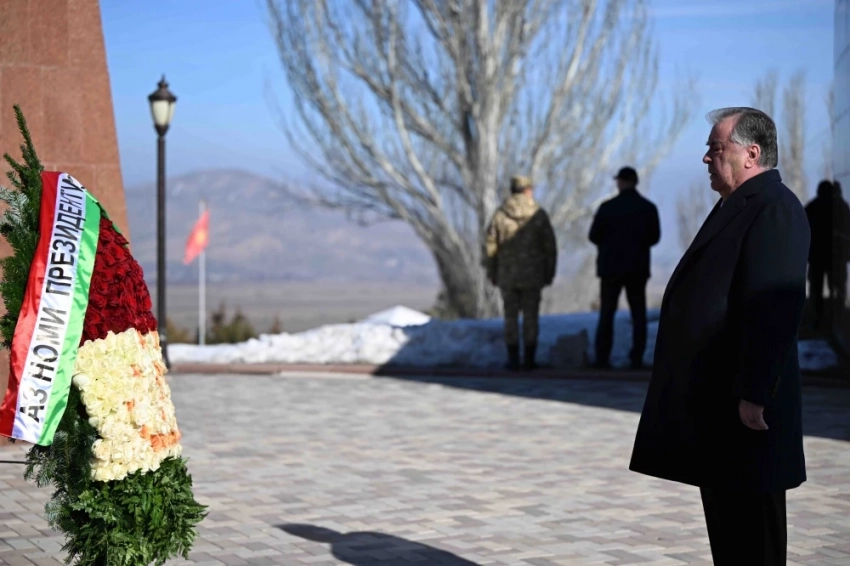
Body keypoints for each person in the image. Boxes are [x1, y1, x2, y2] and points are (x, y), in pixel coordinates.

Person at [629, 107, 810, 565]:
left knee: (754, 538)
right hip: (720, 408)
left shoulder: (775, 208)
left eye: (716, 148)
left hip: (749, 411)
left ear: (751, 153)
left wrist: (755, 393)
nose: (706, 158)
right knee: (730, 534)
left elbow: (774, 310)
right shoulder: (737, 205)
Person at [588, 166, 660, 369]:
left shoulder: (607, 207)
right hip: (637, 268)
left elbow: (593, 235)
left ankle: (602, 358)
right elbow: (654, 237)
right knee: (638, 314)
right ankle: (636, 358)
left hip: (610, 268)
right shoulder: (647, 208)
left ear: (620, 182)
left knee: (607, 313)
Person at [485, 175, 557, 371]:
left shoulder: (500, 215)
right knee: (531, 316)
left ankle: (513, 358)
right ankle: (529, 359)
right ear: (528, 190)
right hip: (533, 275)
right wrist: (549, 272)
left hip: (507, 275)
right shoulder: (538, 215)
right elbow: (550, 247)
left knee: (510, 317)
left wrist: (492, 272)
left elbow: (490, 247)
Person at [804, 179, 850, 326]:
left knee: (817, 290)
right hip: (835, 257)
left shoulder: (812, 207)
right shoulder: (841, 208)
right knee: (837, 289)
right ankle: (837, 319)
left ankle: (817, 319)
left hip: (817, 257)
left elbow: (803, 232)